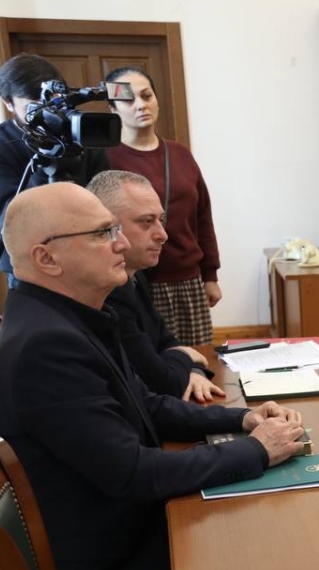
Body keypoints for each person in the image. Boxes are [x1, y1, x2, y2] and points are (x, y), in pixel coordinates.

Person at [0, 182, 306, 570]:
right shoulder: (46, 347)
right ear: (47, 259)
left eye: (116, 229)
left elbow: (146, 404)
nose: (120, 244)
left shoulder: (68, 316)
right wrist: (257, 450)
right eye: (101, 233)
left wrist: (242, 418)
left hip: (122, 541)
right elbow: (134, 472)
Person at [104, 66, 222, 346]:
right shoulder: (104, 158)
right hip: (132, 282)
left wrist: (210, 275)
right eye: (128, 100)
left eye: (146, 96)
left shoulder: (180, 154)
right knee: (148, 363)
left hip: (187, 281)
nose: (140, 105)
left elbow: (202, 217)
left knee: (198, 362)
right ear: (113, 109)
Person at [0, 54, 110, 286]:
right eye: (32, 107)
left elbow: (104, 194)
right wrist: (47, 153)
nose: (46, 113)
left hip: (87, 250)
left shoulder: (78, 132)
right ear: (8, 103)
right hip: (30, 262)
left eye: (52, 103)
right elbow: (15, 214)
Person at [88, 169, 225, 402]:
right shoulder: (106, 291)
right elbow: (162, 382)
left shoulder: (135, 274)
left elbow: (165, 340)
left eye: (160, 220)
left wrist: (194, 369)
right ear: (108, 227)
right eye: (146, 222)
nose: (163, 235)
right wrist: (185, 358)